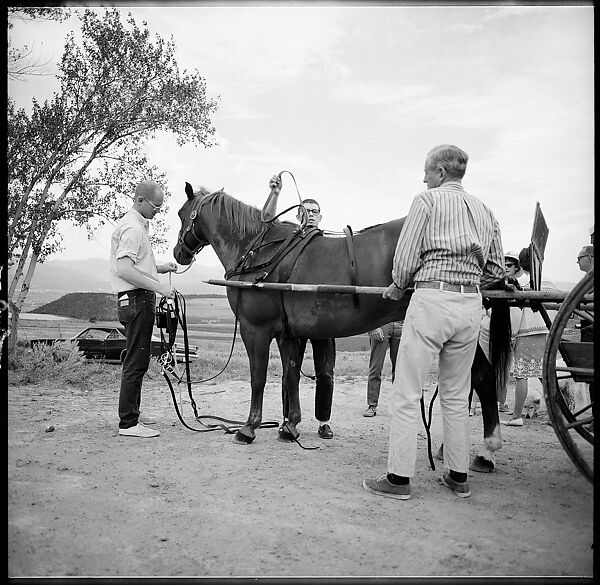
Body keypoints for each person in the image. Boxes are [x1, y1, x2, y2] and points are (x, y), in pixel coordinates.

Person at [362, 144, 505, 501]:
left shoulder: (426, 202)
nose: (423, 177)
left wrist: (398, 285)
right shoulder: (486, 210)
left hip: (431, 300)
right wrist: (468, 283)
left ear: (441, 173)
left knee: (407, 391)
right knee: (457, 395)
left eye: (427, 171)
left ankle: (398, 480)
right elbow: (497, 269)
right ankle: (458, 477)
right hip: (470, 305)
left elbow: (406, 257)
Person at [268, 175, 336, 439]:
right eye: (305, 212)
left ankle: (324, 421)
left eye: (315, 212)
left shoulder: (332, 244)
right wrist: (275, 194)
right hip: (292, 318)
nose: (310, 216)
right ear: (298, 215)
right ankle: (289, 419)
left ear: (321, 217)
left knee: (325, 373)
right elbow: (267, 223)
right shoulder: (288, 240)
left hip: (323, 317)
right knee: (290, 370)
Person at [109, 180, 178, 438]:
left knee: (136, 358)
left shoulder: (137, 226)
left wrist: (160, 268)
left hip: (135, 299)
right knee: (136, 361)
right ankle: (128, 423)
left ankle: (132, 414)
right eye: (155, 206)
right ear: (140, 200)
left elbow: (135, 264)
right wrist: (161, 289)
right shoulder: (133, 228)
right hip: (137, 300)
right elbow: (124, 268)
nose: (158, 211)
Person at [502, 247, 557, 427]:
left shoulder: (524, 282)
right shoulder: (549, 281)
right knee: (546, 374)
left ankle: (517, 416)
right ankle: (555, 414)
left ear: (520, 263)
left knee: (521, 375)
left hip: (528, 332)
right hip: (548, 331)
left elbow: (516, 311)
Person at [363, 321, 403, 417]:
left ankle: (399, 406)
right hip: (381, 324)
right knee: (376, 367)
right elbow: (369, 306)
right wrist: (373, 327)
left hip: (401, 324)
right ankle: (372, 405)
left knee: (400, 370)